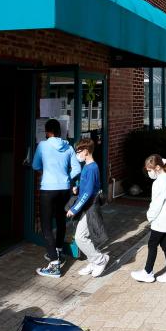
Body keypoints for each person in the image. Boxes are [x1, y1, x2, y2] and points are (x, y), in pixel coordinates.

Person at [33, 118, 81, 277]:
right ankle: (58, 252)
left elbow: (35, 165)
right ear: (60, 131)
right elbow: (77, 168)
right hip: (64, 188)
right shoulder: (68, 146)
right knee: (61, 221)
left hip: (48, 188)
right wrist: (66, 176)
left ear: (47, 132)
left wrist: (45, 169)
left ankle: (54, 264)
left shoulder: (42, 146)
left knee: (46, 226)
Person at [131, 154, 166, 284]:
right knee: (165, 245)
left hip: (160, 220)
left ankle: (148, 272)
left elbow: (157, 203)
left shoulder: (159, 182)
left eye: (150, 170)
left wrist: (150, 215)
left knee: (152, 244)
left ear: (157, 167)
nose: (149, 173)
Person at [67, 138, 110, 277]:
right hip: (87, 206)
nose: (77, 153)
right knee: (84, 236)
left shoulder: (91, 168)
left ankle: (100, 260)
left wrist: (74, 209)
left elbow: (88, 192)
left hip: (90, 207)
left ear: (85, 151)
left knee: (80, 237)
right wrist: (78, 188)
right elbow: (86, 188)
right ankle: (93, 261)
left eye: (78, 151)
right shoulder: (88, 166)